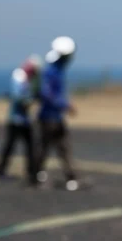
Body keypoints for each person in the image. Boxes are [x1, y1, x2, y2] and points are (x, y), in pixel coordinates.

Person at [37, 36, 80, 190]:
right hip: (48, 117)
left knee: (62, 147)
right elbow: (47, 93)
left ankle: (70, 177)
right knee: (45, 147)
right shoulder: (52, 71)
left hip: (55, 116)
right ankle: (37, 175)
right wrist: (64, 104)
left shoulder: (58, 70)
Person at [0, 55, 42, 185]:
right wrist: (29, 100)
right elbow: (18, 97)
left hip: (25, 119)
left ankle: (31, 171)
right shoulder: (19, 76)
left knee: (30, 146)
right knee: (10, 146)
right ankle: (1, 170)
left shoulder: (29, 79)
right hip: (15, 119)